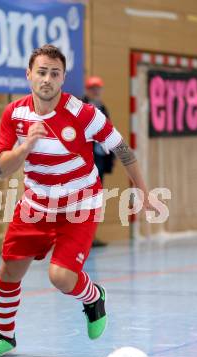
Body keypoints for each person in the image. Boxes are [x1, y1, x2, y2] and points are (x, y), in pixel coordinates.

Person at [0, 45, 157, 357]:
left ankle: (94, 296)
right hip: (36, 205)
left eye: (54, 73)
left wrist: (142, 190)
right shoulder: (15, 114)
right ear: (29, 74)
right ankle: (5, 337)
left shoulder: (84, 114)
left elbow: (123, 149)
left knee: (61, 277)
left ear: (63, 79)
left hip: (79, 205)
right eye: (41, 71)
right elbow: (1, 168)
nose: (47, 79)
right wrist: (26, 146)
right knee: (8, 272)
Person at [82, 76, 115, 247]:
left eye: (97, 88)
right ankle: (81, 235)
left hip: (100, 158)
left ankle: (90, 235)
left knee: (95, 198)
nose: (95, 91)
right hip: (87, 160)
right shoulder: (82, 107)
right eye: (92, 88)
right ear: (87, 90)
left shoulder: (103, 108)